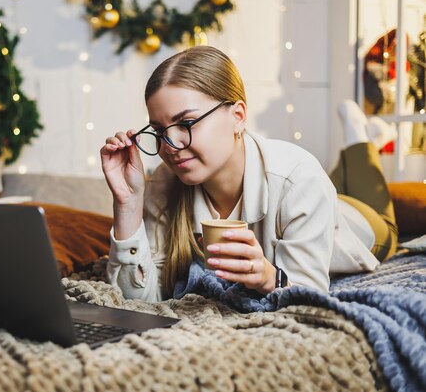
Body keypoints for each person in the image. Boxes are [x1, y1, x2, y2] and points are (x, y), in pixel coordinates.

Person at [100, 46, 398, 302]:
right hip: (304, 198)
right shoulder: (166, 182)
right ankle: (360, 144)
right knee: (325, 184)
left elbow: (309, 301)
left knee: (378, 207)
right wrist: (127, 203)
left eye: (187, 124)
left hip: (361, 225)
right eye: (160, 131)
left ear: (238, 116)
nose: (171, 145)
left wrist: (271, 279)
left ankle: (360, 142)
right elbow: (135, 301)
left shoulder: (300, 178)